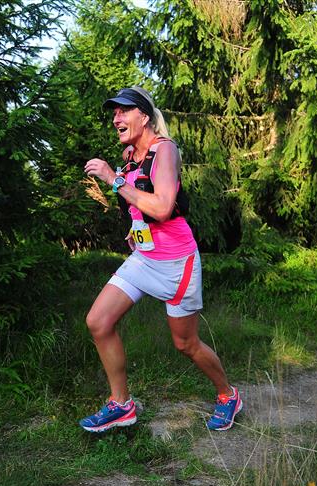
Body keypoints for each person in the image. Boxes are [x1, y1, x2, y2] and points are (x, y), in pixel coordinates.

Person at [80, 87, 242, 432]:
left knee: (186, 343)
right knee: (98, 322)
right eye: (114, 113)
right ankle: (121, 404)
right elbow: (140, 202)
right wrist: (136, 227)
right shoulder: (129, 155)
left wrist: (112, 179)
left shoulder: (165, 150)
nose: (116, 118)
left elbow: (164, 206)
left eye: (123, 111)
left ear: (143, 116)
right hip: (144, 258)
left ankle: (228, 395)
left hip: (176, 263)